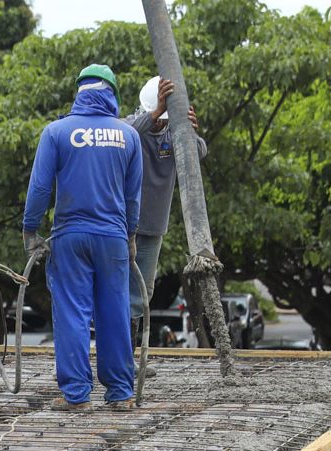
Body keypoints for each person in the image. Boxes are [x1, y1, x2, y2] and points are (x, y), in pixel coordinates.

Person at [23, 64, 143, 409]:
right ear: (112, 95)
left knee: (73, 313)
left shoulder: (56, 132)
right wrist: (130, 234)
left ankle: (76, 395)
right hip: (113, 238)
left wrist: (31, 230)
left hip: (70, 238)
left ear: (79, 93)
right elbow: (133, 195)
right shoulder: (128, 136)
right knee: (115, 311)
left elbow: (40, 187)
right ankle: (121, 392)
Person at [126, 76, 205, 336]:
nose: (161, 122)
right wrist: (153, 114)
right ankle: (116, 355)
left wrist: (190, 130)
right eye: (159, 116)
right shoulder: (130, 126)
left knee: (141, 293)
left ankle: (128, 358)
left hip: (153, 225)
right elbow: (125, 135)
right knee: (116, 289)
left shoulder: (173, 132)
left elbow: (199, 152)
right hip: (123, 225)